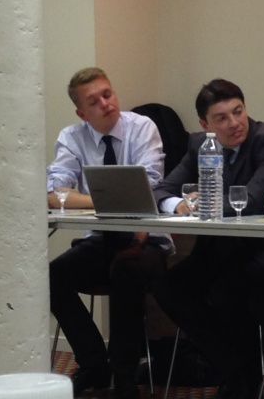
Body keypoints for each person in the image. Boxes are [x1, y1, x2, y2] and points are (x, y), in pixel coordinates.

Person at [152, 78, 264, 399]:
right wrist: (179, 205)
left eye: (238, 112)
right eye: (222, 118)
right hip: (218, 249)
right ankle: (237, 366)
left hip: (263, 251)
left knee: (226, 289)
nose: (234, 123)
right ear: (205, 125)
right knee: (168, 287)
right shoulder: (200, 145)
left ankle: (241, 375)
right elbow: (161, 191)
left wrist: (200, 204)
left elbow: (252, 200)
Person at [47, 67, 174, 399]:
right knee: (50, 276)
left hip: (146, 239)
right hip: (100, 239)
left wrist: (89, 198)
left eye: (108, 94)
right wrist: (104, 200)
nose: (106, 103)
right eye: (94, 101)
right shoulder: (71, 137)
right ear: (81, 113)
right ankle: (94, 364)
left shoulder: (142, 128)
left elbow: (148, 188)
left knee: (126, 269)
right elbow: (55, 193)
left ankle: (125, 374)